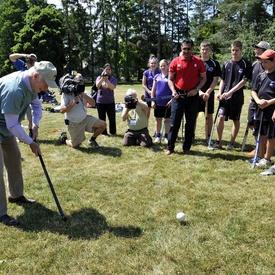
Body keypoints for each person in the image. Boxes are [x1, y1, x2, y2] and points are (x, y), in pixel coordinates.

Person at [0, 61, 58, 226]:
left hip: (5, 128)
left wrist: (36, 125)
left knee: (14, 158)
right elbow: (12, 125)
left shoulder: (32, 85)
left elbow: (36, 106)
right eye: (45, 84)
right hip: (6, 126)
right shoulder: (15, 90)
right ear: (36, 76)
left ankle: (16, 195)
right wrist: (31, 142)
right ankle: (0, 213)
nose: (46, 88)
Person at [165, 39, 206, 155]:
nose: (186, 51)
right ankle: (170, 147)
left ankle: (186, 148)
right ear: (181, 49)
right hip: (178, 95)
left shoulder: (198, 61)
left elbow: (204, 78)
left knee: (190, 122)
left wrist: (196, 90)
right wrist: (173, 91)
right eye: (184, 49)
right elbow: (170, 79)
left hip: (192, 96)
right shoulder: (175, 61)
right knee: (174, 122)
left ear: (192, 49)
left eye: (188, 48)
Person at [213, 40, 252, 150]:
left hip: (236, 97)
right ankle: (218, 141)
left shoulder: (246, 64)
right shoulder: (226, 64)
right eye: (232, 50)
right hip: (224, 97)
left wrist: (229, 92)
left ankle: (231, 143)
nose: (234, 52)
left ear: (241, 51)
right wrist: (220, 93)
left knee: (235, 120)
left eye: (237, 50)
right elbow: (223, 80)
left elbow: (243, 82)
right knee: (220, 117)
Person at [60, 73, 106, 149]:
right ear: (74, 81)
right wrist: (73, 103)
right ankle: (64, 139)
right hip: (74, 123)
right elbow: (62, 111)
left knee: (103, 125)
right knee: (76, 146)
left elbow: (93, 103)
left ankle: (92, 140)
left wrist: (82, 94)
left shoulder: (84, 92)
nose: (81, 82)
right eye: (79, 80)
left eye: (82, 81)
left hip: (85, 119)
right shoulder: (67, 93)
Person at [251, 50, 275, 171]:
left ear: (273, 61)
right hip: (260, 108)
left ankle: (267, 158)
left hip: (272, 110)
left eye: (266, 62)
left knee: (271, 135)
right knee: (260, 133)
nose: (263, 64)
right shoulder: (261, 75)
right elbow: (253, 90)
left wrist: (269, 102)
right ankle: (260, 156)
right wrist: (258, 100)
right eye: (262, 62)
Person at [245, 41, 270, 159]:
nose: (256, 50)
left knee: (265, 127)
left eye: (258, 48)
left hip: (267, 103)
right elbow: (248, 81)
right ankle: (260, 146)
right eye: (255, 48)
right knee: (251, 123)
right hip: (254, 100)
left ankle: (262, 149)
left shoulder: (271, 65)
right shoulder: (255, 64)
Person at [197, 41, 221, 143]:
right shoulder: (196, 62)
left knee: (209, 115)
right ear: (200, 50)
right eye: (203, 49)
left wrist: (208, 92)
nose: (205, 51)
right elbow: (193, 79)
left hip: (209, 94)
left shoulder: (214, 64)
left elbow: (215, 80)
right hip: (196, 93)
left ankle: (208, 137)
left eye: (207, 49)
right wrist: (199, 92)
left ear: (210, 50)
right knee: (193, 114)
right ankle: (191, 136)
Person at [9, 53, 38, 138]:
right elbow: (11, 57)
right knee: (18, 117)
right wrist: (25, 55)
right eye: (30, 60)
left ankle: (31, 133)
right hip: (20, 95)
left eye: (33, 60)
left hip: (30, 96)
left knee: (31, 117)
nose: (31, 62)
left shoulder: (37, 69)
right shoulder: (22, 65)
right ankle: (18, 135)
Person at [151, 59, 172, 144]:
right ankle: (157, 135)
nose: (163, 67)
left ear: (168, 66)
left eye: (164, 65)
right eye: (161, 66)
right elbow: (153, 90)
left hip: (168, 103)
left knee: (167, 120)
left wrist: (171, 100)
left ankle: (166, 136)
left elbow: (174, 90)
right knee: (158, 119)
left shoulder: (171, 77)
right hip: (158, 102)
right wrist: (153, 101)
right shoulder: (157, 77)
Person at [95, 63, 117, 136]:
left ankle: (113, 132)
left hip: (110, 101)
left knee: (112, 118)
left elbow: (112, 87)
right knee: (101, 118)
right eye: (106, 69)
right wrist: (102, 78)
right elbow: (97, 86)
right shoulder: (99, 78)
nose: (107, 71)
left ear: (111, 71)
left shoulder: (113, 79)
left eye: (109, 69)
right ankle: (103, 132)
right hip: (100, 102)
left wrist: (107, 80)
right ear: (103, 70)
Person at [142, 55, 161, 120]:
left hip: (157, 95)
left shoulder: (160, 72)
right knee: (147, 111)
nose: (153, 65)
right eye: (152, 63)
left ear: (157, 64)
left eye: (155, 63)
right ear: (149, 64)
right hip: (148, 94)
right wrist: (149, 92)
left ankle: (157, 129)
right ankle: (145, 125)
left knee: (157, 114)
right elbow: (143, 85)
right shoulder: (146, 73)